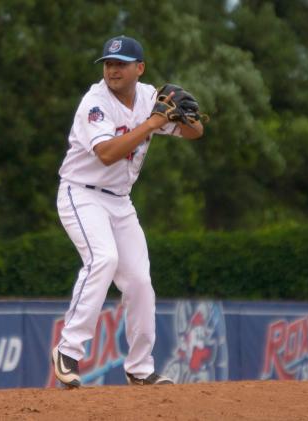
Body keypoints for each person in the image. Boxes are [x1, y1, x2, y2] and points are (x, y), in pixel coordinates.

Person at [52, 35, 204, 388]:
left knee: (139, 281)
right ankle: (68, 350)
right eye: (108, 63)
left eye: (121, 63)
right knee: (102, 259)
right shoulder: (95, 102)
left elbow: (194, 132)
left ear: (140, 68)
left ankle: (139, 368)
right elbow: (106, 153)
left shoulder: (150, 97)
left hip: (119, 200)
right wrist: (152, 124)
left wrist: (190, 118)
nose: (113, 69)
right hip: (81, 193)